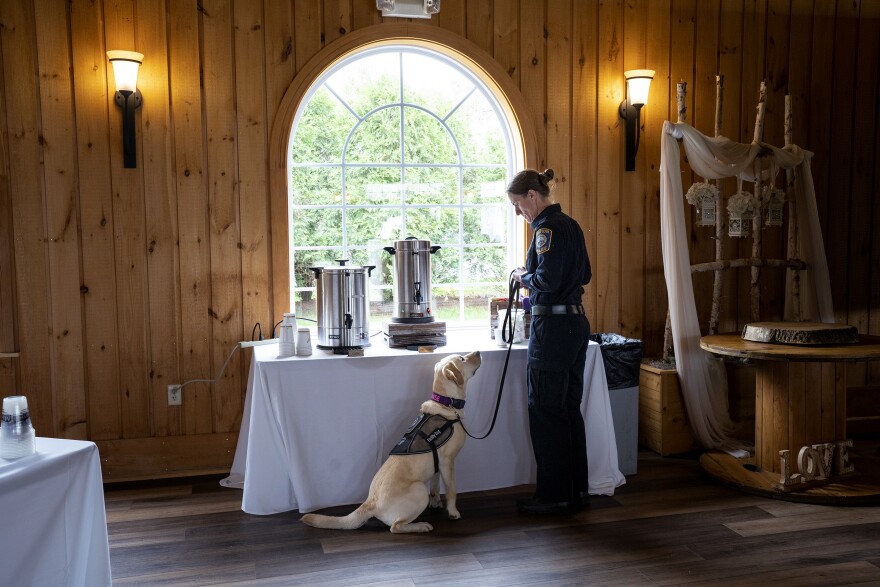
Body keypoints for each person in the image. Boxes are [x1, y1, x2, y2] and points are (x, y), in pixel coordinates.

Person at [507, 168, 592, 516]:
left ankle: (554, 495)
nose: (517, 212)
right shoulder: (570, 225)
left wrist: (520, 275)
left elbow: (546, 279)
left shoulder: (545, 229)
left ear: (531, 195)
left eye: (517, 204)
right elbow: (583, 274)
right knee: (569, 411)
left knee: (545, 410)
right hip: (575, 324)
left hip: (553, 329)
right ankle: (576, 490)